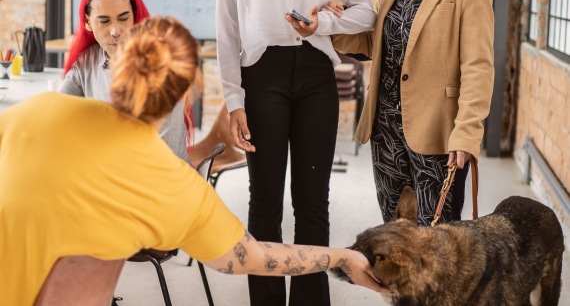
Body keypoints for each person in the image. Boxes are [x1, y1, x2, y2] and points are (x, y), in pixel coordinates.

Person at [0, 16, 385, 305]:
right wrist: (343, 257)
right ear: (188, 92)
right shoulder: (172, 186)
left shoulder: (33, 112)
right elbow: (254, 256)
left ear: (116, 64)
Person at [216, 0, 376, 305]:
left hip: (315, 79)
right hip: (260, 78)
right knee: (264, 204)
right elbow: (227, 33)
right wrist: (233, 101)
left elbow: (366, 13)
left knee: (313, 205)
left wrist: (323, 22)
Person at [330, 0, 494, 226]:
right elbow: (374, 44)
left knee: (438, 237)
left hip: (438, 131)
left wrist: (466, 133)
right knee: (395, 232)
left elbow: (478, 66)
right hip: (386, 130)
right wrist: (334, 22)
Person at [58, 0, 189, 161]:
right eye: (104, 21)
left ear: (134, 17)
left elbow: (161, 151)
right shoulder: (87, 61)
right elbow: (57, 112)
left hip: (159, 178)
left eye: (123, 18)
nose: (115, 31)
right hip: (110, 173)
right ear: (87, 22)